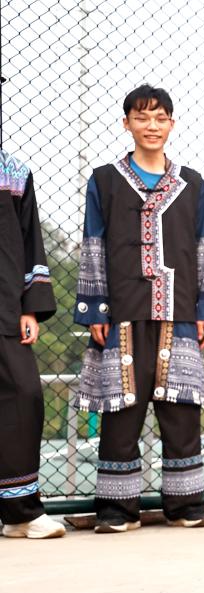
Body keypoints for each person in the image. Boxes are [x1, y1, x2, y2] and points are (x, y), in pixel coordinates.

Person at [73, 84, 204, 532]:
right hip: (122, 309)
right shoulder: (105, 180)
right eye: (142, 117)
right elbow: (93, 243)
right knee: (122, 408)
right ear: (127, 124)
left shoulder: (191, 183)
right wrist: (95, 308)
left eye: (160, 118)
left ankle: (186, 505)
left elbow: (203, 243)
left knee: (181, 407)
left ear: (172, 124)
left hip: (180, 310)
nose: (152, 126)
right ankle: (117, 509)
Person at [0, 149, 65, 539]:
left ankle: (20, 513)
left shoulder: (13, 172)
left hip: (5, 307)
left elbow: (29, 239)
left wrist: (29, 307)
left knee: (24, 397)